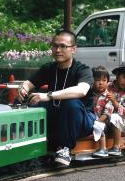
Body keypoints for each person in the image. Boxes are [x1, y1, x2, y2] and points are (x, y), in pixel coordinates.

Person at [17, 30, 96, 166]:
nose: (58, 50)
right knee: (33, 103)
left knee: (71, 104)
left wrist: (49, 95)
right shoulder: (49, 68)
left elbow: (82, 90)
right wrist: (23, 89)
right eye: (54, 46)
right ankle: (28, 145)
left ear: (74, 49)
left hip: (81, 119)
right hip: (57, 115)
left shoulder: (83, 69)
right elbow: (29, 83)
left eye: (63, 46)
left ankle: (65, 149)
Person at [91, 66, 113, 157]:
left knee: (99, 126)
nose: (101, 83)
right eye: (97, 80)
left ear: (108, 82)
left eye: (104, 80)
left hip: (104, 121)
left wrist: (98, 121)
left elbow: (107, 113)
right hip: (91, 119)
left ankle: (103, 149)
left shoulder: (109, 96)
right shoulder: (89, 94)